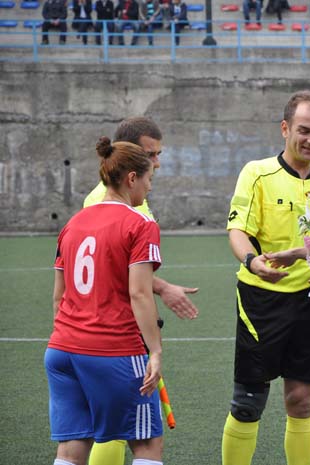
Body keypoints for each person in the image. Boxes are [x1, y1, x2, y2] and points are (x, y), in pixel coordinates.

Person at [221, 90, 310, 465]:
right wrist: (252, 261)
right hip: (261, 300)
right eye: (304, 130)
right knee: (247, 403)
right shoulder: (257, 174)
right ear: (285, 128)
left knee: (301, 401)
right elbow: (237, 230)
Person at [84, 117, 200, 465]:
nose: (157, 163)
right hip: (113, 329)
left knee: (111, 428)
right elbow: (114, 267)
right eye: (151, 154)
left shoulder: (125, 198)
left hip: (104, 328)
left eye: (159, 154)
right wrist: (162, 289)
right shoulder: (105, 201)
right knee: (129, 433)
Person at [45, 137, 164, 465]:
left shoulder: (73, 223)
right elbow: (139, 293)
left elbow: (58, 297)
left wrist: (72, 337)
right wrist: (155, 351)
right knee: (147, 443)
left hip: (61, 351)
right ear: (132, 178)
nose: (149, 187)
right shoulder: (140, 224)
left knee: (72, 447)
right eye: (149, 178)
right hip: (113, 351)